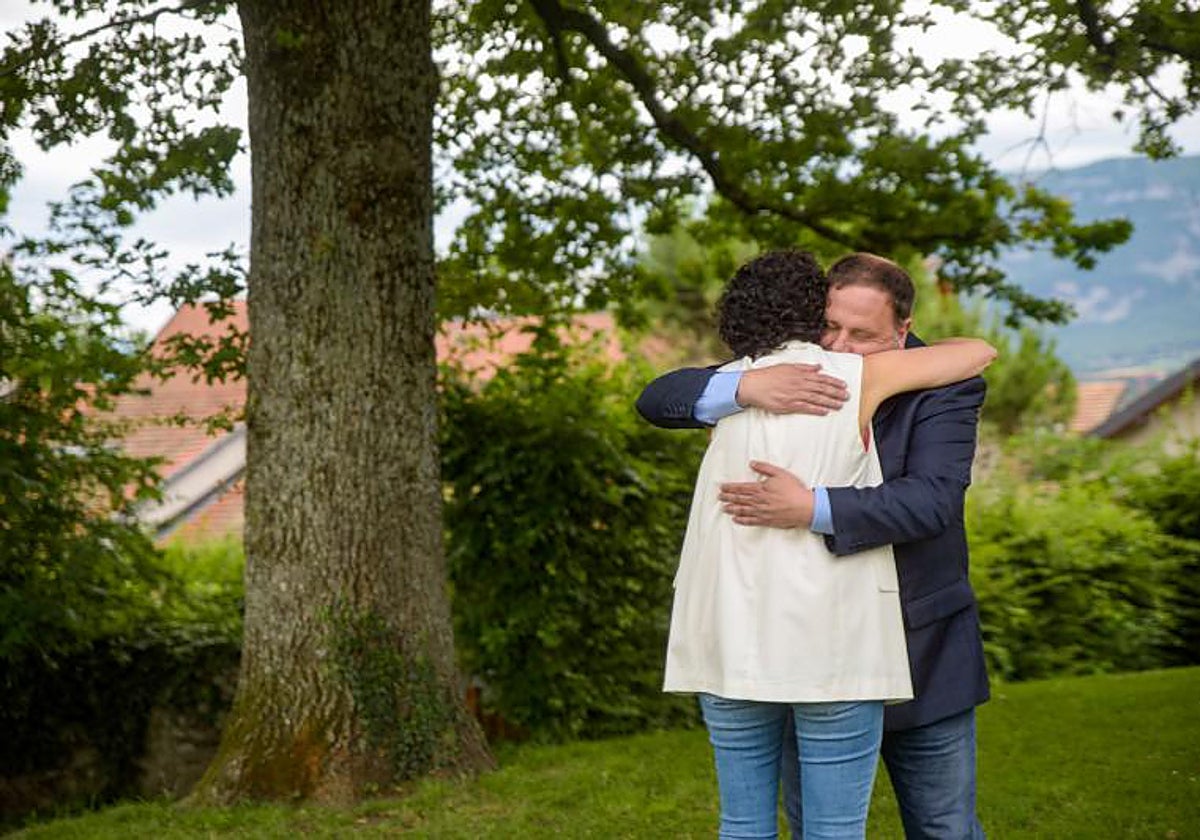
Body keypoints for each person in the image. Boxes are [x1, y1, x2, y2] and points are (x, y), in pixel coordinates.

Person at [638, 252, 992, 840]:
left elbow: (932, 502)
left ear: (903, 332)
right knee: (811, 823)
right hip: (804, 646)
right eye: (830, 327)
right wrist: (748, 386)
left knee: (943, 826)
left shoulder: (943, 387)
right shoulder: (771, 373)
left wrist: (813, 508)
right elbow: (659, 397)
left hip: (919, 637)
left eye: (864, 335)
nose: (843, 347)